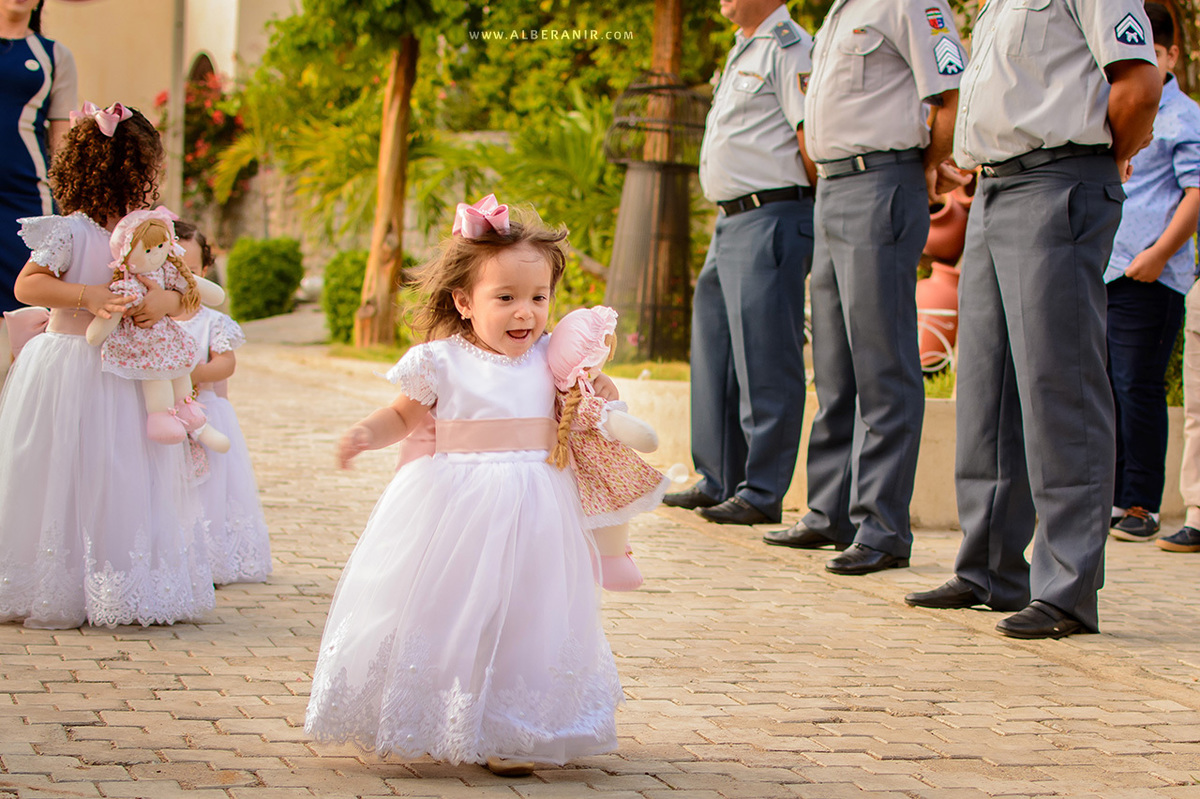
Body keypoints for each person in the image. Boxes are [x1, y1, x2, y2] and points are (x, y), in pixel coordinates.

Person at [304, 196, 622, 776]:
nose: (525, 312)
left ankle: (511, 728)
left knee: (530, 611)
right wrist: (363, 433)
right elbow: (401, 416)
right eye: (505, 298)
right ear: (464, 302)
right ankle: (441, 712)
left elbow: (604, 402)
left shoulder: (552, 360)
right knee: (454, 609)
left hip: (539, 507)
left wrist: (595, 383)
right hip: (455, 506)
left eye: (538, 297)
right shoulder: (440, 361)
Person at [905, 1, 1161, 638]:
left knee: (1060, 386)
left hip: (1058, 180)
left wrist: (1099, 160)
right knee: (986, 392)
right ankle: (988, 568)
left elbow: (1139, 85)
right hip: (993, 188)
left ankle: (1067, 588)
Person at [763, 0, 965, 575]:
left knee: (882, 362)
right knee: (833, 362)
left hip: (883, 179)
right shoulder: (838, 12)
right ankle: (830, 509)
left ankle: (883, 527)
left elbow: (949, 96)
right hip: (833, 186)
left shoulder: (910, 4)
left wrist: (921, 165)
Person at [0, 101, 214, 629]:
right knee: (61, 466)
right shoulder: (71, 231)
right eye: (148, 167)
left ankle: (116, 576)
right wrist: (87, 294)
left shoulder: (152, 232)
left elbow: (189, 295)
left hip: (126, 371)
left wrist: (160, 305)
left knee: (119, 468)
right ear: (131, 170)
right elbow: (27, 285)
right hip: (70, 363)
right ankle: (53, 576)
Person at [661, 0, 815, 527]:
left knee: (765, 356)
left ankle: (762, 489)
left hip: (772, 212)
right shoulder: (740, 51)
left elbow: (808, 139)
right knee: (716, 353)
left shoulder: (789, 47)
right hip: (730, 220)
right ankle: (718, 478)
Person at [1104, 4, 1200, 544]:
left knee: (1138, 387)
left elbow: (1196, 193)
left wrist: (1160, 254)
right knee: (1108, 389)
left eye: (1154, 53)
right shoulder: (1122, 107)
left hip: (1149, 275)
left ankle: (1140, 503)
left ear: (1171, 55)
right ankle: (1112, 496)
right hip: (1107, 271)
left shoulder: (1184, 118)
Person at [174, 219, 273, 583]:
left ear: (204, 270)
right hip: (163, 414)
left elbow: (226, 363)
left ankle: (211, 554)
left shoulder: (210, 321)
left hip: (206, 411)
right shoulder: (151, 319)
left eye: (191, 268)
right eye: (173, 266)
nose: (182, 275)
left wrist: (191, 373)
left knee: (208, 486)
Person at [0, 0, 77, 378]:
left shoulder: (53, 55)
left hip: (26, 196)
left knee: (29, 299)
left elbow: (62, 137)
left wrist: (74, 200)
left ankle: (23, 401)